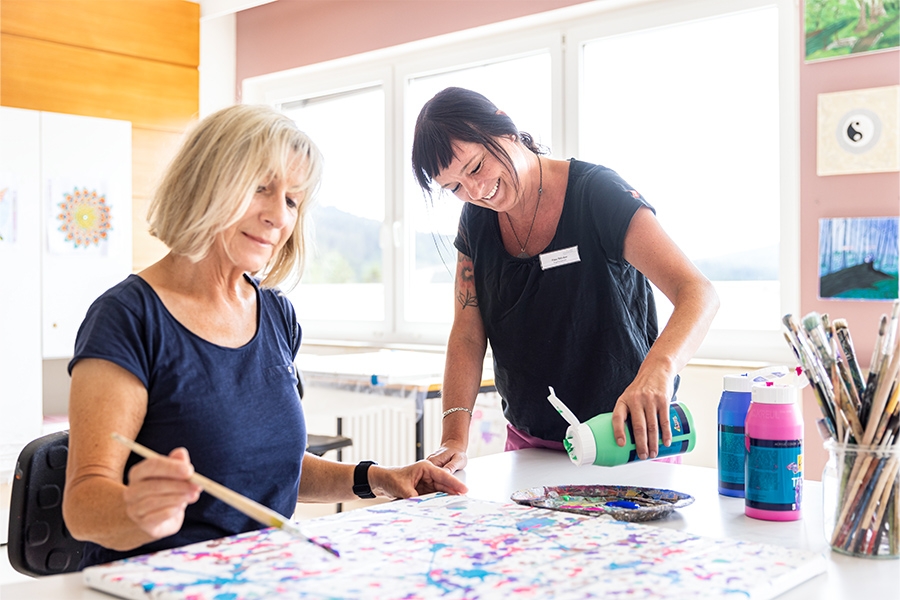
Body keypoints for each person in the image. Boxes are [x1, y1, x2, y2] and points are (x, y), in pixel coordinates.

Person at [62, 104, 467, 569]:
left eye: (292, 200)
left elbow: (275, 467)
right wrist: (137, 508)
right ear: (206, 182)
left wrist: (379, 478)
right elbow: (82, 507)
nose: (279, 215)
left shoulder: (276, 313)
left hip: (263, 572)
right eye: (261, 188)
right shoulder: (127, 317)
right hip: (162, 579)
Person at [411, 87, 719, 473]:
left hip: (624, 440)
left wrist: (658, 371)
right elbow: (468, 334)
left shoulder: (597, 194)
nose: (475, 191)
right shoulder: (476, 221)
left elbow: (698, 293)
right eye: (453, 187)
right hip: (531, 446)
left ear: (504, 126)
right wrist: (453, 439)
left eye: (475, 167)